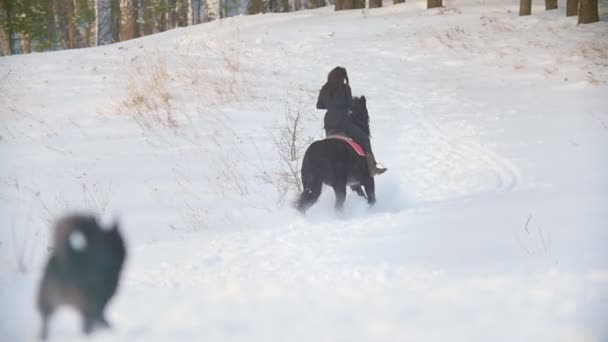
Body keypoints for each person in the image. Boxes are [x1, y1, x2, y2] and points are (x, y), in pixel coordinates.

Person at [316, 66, 386, 176]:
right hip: (343, 123)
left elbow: (319, 106)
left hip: (328, 124)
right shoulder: (345, 88)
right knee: (364, 138)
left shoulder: (325, 88)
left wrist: (331, 105)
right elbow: (349, 106)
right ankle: (372, 168)